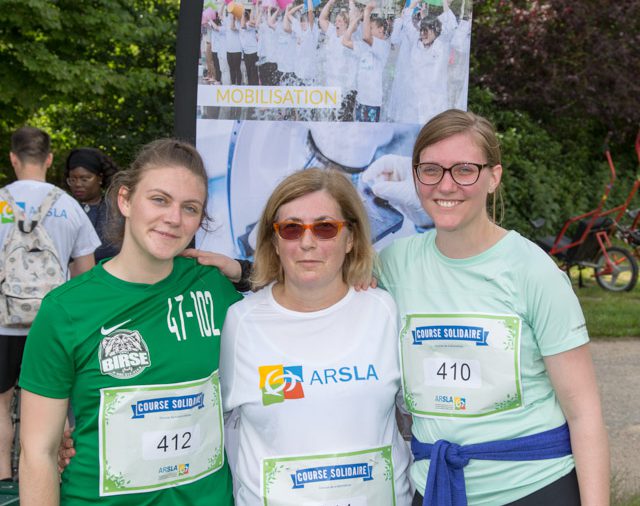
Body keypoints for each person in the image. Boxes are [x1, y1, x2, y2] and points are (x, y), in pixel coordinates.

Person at [375, 109, 609, 505]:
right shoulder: (393, 264)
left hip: (535, 488)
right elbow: (318, 276)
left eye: (464, 170)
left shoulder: (532, 271)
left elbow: (585, 414)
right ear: (415, 176)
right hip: (437, 488)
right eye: (431, 170)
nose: (446, 185)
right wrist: (241, 271)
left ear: (493, 177)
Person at [18, 139, 241, 505]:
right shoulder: (66, 309)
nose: (173, 218)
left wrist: (243, 272)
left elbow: (298, 294)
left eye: (190, 208)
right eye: (159, 199)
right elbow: (38, 453)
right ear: (125, 200)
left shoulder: (213, 287)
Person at [192, 168, 412, 505]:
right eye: (292, 229)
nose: (307, 242)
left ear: (350, 238)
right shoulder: (242, 322)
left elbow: (417, 419)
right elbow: (205, 428)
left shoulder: (384, 310)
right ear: (275, 242)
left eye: (325, 228)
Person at [0, 127, 100, 482]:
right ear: (49, 159)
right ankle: (56, 479)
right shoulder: (69, 207)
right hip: (55, 324)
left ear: (13, 159)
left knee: (0, 406)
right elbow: (86, 277)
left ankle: (3, 484)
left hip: (2, 323)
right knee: (54, 406)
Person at [65, 147, 120, 262]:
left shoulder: (115, 208)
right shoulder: (64, 208)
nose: (78, 184)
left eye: (85, 179)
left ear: (99, 178)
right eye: (72, 179)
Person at [342, 1, 390, 123]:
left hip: (372, 103)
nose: (367, 30)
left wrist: (367, 11)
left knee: (371, 137)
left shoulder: (383, 46)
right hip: (360, 100)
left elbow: (366, 37)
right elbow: (345, 41)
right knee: (359, 134)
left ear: (381, 30)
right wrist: (355, 20)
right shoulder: (364, 47)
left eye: (371, 28)